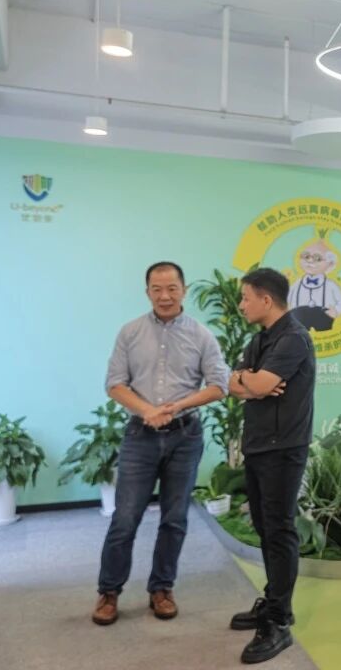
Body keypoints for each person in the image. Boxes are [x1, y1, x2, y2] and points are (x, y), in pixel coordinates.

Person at [93, 261, 229, 626]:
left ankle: (162, 588)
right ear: (147, 292)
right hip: (140, 436)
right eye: (157, 289)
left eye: (171, 288)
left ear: (184, 290)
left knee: (175, 518)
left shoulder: (202, 335)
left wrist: (178, 406)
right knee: (125, 518)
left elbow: (219, 385)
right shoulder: (130, 332)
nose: (164, 296)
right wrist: (148, 411)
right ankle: (109, 591)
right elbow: (115, 383)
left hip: (185, 436)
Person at [226, 267, 317, 665]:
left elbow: (259, 386)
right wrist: (251, 379)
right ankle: (274, 600)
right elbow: (232, 383)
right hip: (259, 445)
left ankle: (279, 620)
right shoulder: (260, 339)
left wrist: (253, 382)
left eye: (246, 297)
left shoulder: (294, 337)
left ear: (266, 299)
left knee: (279, 530)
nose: (241, 305)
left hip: (284, 449)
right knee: (265, 527)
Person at [288, 236, 341, 332]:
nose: (310, 261)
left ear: (330, 264)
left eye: (317, 258)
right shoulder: (297, 284)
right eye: (306, 256)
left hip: (323, 317)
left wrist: (335, 311)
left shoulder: (331, 285)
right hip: (299, 316)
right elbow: (286, 298)